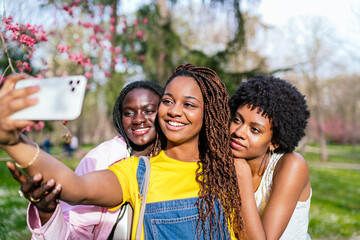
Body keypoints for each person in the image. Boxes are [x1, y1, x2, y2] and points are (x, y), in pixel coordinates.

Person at [0, 64, 243, 239]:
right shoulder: (138, 171)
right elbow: (77, 188)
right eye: (168, 101)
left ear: (209, 114)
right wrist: (13, 141)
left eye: (188, 104)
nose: (174, 111)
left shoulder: (229, 169)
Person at [6, 79, 163, 239]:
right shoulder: (102, 159)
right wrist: (48, 214)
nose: (138, 119)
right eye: (128, 113)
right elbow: (78, 193)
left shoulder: (179, 160)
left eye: (149, 110)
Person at [229, 75, 311, 239]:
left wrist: (241, 172)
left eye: (255, 130)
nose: (239, 132)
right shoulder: (221, 162)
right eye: (237, 120)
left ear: (274, 142)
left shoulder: (292, 165)